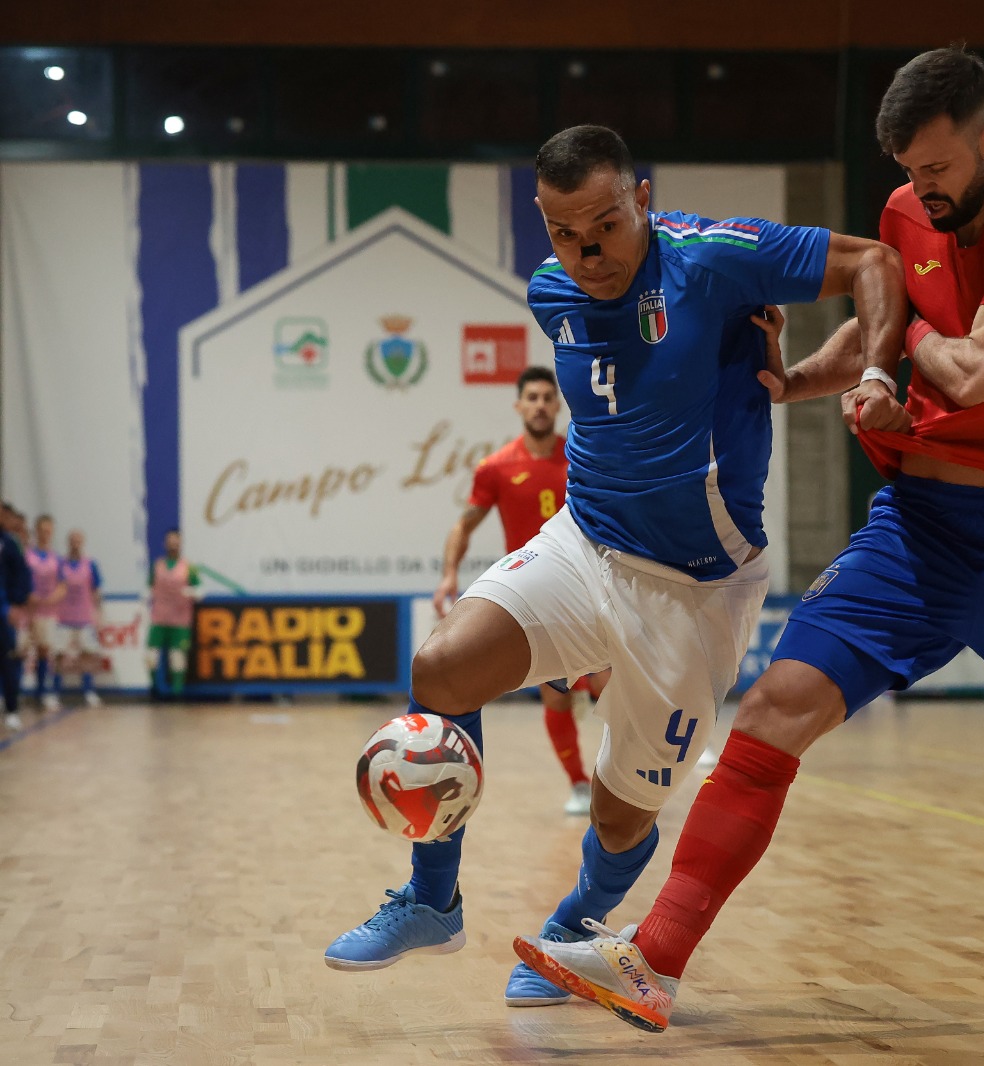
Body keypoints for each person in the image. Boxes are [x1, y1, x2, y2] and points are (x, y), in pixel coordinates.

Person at [522, 48, 984, 1033]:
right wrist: (793, 380)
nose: (918, 194)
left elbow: (974, 371)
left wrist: (899, 329)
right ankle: (654, 959)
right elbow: (872, 340)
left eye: (935, 172)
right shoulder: (903, 212)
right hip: (916, 529)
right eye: (904, 174)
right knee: (770, 712)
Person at [323, 125, 905, 1011]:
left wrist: (873, 376)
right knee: (441, 667)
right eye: (565, 232)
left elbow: (877, 261)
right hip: (585, 543)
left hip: (696, 589)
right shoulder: (549, 291)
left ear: (642, 197)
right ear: (543, 227)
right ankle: (432, 899)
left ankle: (572, 926)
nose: (588, 251)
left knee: (620, 814)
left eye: (605, 223)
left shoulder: (712, 259)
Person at [434, 364, 609, 817]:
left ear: (558, 403)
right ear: (519, 406)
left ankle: (625, 780)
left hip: (594, 585)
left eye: (547, 398)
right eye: (531, 398)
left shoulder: (585, 451)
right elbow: (464, 524)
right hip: (537, 596)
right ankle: (578, 784)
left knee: (611, 684)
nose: (540, 405)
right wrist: (449, 575)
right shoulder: (495, 468)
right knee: (557, 693)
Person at [145, 529, 203, 699]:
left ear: (180, 544)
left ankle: (177, 693)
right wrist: (142, 605)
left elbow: (200, 590)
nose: (173, 545)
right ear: (165, 544)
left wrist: (191, 592)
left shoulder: (189, 567)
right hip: (159, 617)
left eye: (176, 542)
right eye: (170, 542)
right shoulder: (157, 565)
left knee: (177, 657)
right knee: (150, 655)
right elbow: (149, 588)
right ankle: (155, 688)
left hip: (180, 619)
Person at [55, 529, 104, 707]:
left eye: (78, 541)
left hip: (84, 617)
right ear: (68, 543)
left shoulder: (90, 564)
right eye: (72, 541)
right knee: (59, 655)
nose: (75, 544)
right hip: (64, 617)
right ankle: (54, 692)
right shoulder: (60, 564)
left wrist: (98, 614)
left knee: (87, 656)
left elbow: (96, 590)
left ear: (82, 542)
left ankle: (89, 691)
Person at [23, 515, 65, 711]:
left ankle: (43, 692)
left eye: (49, 530)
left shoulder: (56, 558)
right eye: (43, 529)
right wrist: (27, 595)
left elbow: (63, 585)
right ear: (36, 531)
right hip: (28, 610)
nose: (46, 533)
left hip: (48, 611)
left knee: (45, 651)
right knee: (19, 650)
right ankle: (10, 693)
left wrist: (51, 598)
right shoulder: (27, 555)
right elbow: (20, 579)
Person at [1, 503, 33, 730]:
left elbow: (21, 575)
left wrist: (16, 605)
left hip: (3, 611)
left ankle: (12, 709)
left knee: (8, 659)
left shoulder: (9, 543)